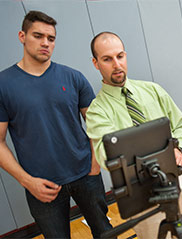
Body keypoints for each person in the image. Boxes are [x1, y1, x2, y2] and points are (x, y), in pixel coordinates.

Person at [0, 11, 112, 238]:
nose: (45, 43)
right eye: (38, 36)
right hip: (41, 185)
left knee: (105, 232)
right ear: (22, 36)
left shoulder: (73, 77)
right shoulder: (4, 85)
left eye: (51, 38)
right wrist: (27, 181)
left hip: (86, 175)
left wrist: (94, 163)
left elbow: (95, 125)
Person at [86, 31, 182, 239]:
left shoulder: (153, 90)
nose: (116, 64)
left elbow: (181, 124)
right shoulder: (97, 111)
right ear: (95, 63)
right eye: (107, 59)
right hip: (142, 195)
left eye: (120, 56)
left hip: (179, 180)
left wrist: (178, 148)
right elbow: (106, 156)